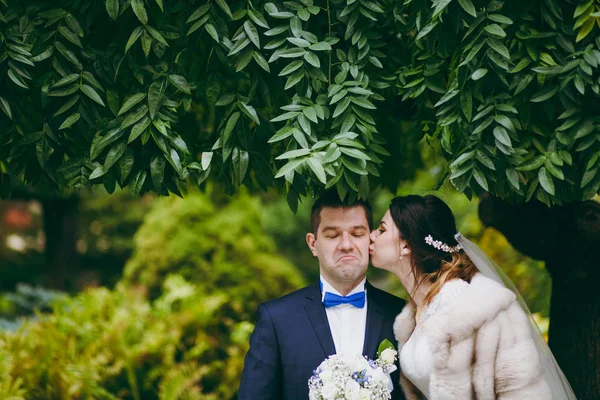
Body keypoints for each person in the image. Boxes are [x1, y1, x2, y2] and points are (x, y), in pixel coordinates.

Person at [369, 194, 576, 400]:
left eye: (382, 229)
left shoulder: (482, 309)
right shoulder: (413, 318)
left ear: (406, 246)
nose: (371, 235)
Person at [238, 190, 406, 399]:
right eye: (332, 235)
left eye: (357, 233)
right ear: (313, 244)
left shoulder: (402, 315)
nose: (346, 245)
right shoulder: (276, 319)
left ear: (369, 240)